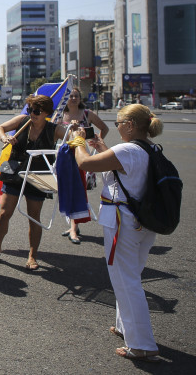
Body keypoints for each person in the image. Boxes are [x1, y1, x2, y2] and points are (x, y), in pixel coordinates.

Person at [70, 104, 162, 362]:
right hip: (143, 221)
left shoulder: (126, 149)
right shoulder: (148, 149)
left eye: (120, 122)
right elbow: (124, 172)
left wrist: (78, 141)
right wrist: (101, 148)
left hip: (122, 221)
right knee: (131, 276)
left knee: (126, 281)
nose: (117, 126)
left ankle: (143, 344)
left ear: (131, 125)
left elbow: (85, 163)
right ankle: (126, 327)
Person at [0, 94, 68, 270]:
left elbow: (72, 137)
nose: (32, 114)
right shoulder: (22, 121)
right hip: (15, 171)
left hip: (39, 175)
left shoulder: (54, 129)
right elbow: (0, 128)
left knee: (34, 217)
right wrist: (5, 138)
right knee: (4, 213)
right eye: (30, 109)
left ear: (46, 113)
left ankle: (32, 255)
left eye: (36, 111)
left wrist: (75, 130)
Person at [61, 87, 109, 243]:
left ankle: (74, 229)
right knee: (67, 188)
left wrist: (97, 141)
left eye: (76, 96)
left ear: (80, 99)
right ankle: (72, 225)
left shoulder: (87, 114)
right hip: (65, 153)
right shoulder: (61, 114)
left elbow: (104, 128)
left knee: (78, 188)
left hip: (81, 154)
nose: (73, 98)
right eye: (71, 96)